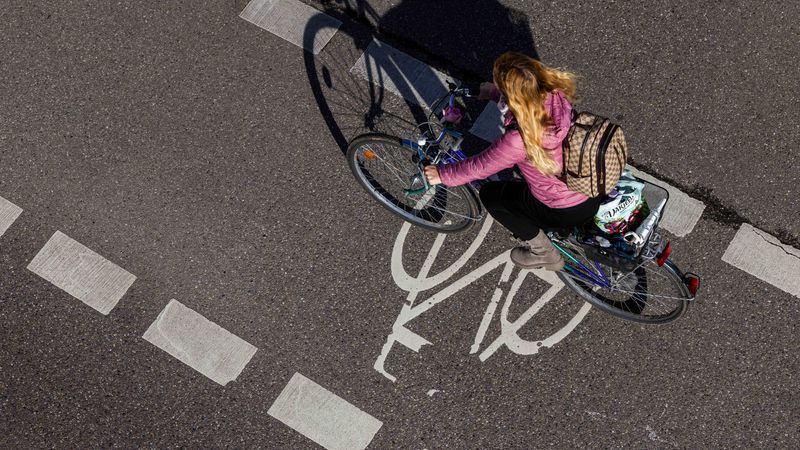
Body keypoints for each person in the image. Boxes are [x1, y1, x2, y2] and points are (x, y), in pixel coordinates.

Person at [423, 52, 602, 271]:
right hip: (592, 186)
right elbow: (526, 97)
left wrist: (442, 175)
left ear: (514, 98)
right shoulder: (555, 94)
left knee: (492, 195)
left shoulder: (520, 140)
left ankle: (544, 254)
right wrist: (494, 93)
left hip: (563, 208)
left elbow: (479, 166)